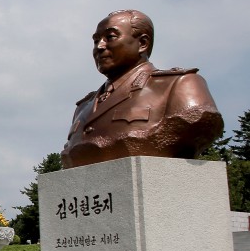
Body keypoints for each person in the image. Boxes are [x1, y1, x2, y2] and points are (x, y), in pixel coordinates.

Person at [62, 10, 224, 168]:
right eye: (96, 40)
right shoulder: (83, 107)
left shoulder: (180, 84)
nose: (100, 46)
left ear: (142, 43)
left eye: (110, 37)